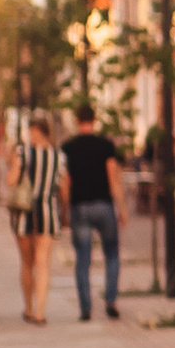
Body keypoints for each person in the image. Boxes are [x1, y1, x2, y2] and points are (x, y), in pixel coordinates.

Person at [61, 105, 127, 319]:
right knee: (112, 254)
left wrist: (65, 210)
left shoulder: (68, 147)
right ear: (95, 119)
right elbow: (113, 178)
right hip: (104, 205)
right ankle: (110, 300)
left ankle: (86, 308)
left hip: (80, 207)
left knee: (82, 258)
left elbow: (65, 182)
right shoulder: (105, 146)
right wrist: (122, 207)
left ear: (77, 119)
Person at [4, 109, 61, 323]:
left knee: (27, 263)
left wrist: (10, 163)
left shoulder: (23, 153)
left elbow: (11, 181)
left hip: (24, 213)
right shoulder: (59, 156)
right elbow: (61, 185)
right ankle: (40, 312)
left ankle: (28, 307)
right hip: (48, 211)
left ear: (36, 130)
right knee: (43, 262)